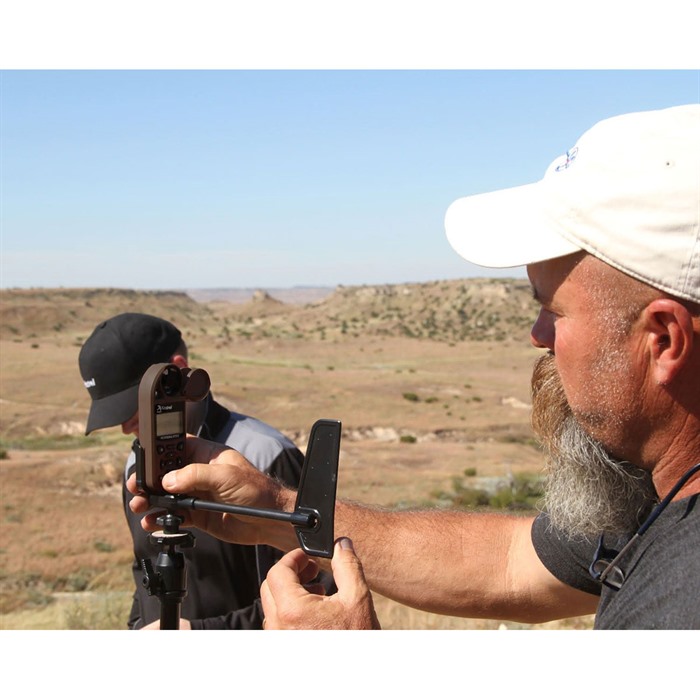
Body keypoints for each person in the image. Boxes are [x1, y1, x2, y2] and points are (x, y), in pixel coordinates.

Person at [128, 104, 700, 630]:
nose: (537, 335)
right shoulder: (656, 495)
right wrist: (276, 512)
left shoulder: (681, 602)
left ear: (663, 339)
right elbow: (508, 563)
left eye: (553, 310)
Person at [79, 312, 332, 629]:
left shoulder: (266, 455)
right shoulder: (137, 462)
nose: (124, 426)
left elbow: (319, 593)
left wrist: (203, 632)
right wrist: (138, 624)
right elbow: (145, 567)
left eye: (132, 404)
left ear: (177, 371)